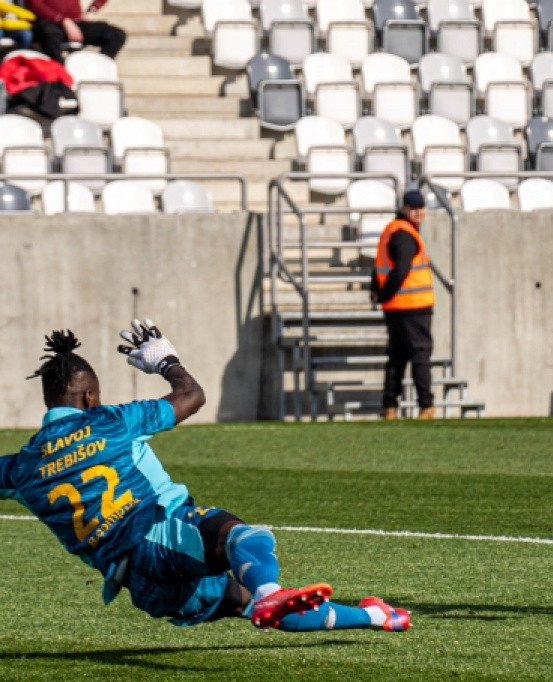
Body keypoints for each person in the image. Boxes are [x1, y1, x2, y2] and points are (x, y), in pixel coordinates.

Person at [0, 320, 411, 633]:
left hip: (143, 588)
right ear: (90, 397)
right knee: (245, 539)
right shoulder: (110, 422)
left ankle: (377, 616)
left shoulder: (22, 467)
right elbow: (190, 397)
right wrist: (167, 362)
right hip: (159, 538)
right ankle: (271, 591)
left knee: (247, 606)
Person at [371, 189, 436, 420]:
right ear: (404, 208)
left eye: (421, 207)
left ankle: (389, 406)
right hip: (413, 305)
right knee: (420, 354)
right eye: (414, 208)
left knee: (397, 357)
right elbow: (400, 270)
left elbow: (379, 266)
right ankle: (426, 406)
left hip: (396, 307)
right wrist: (385, 294)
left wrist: (379, 292)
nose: (419, 212)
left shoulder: (391, 231)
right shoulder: (405, 234)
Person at [27, 0, 125, 63]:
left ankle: (95, 68)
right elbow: (35, 5)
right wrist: (63, 20)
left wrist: (92, 9)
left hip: (75, 23)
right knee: (50, 34)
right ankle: (61, 76)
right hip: (47, 21)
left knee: (117, 35)